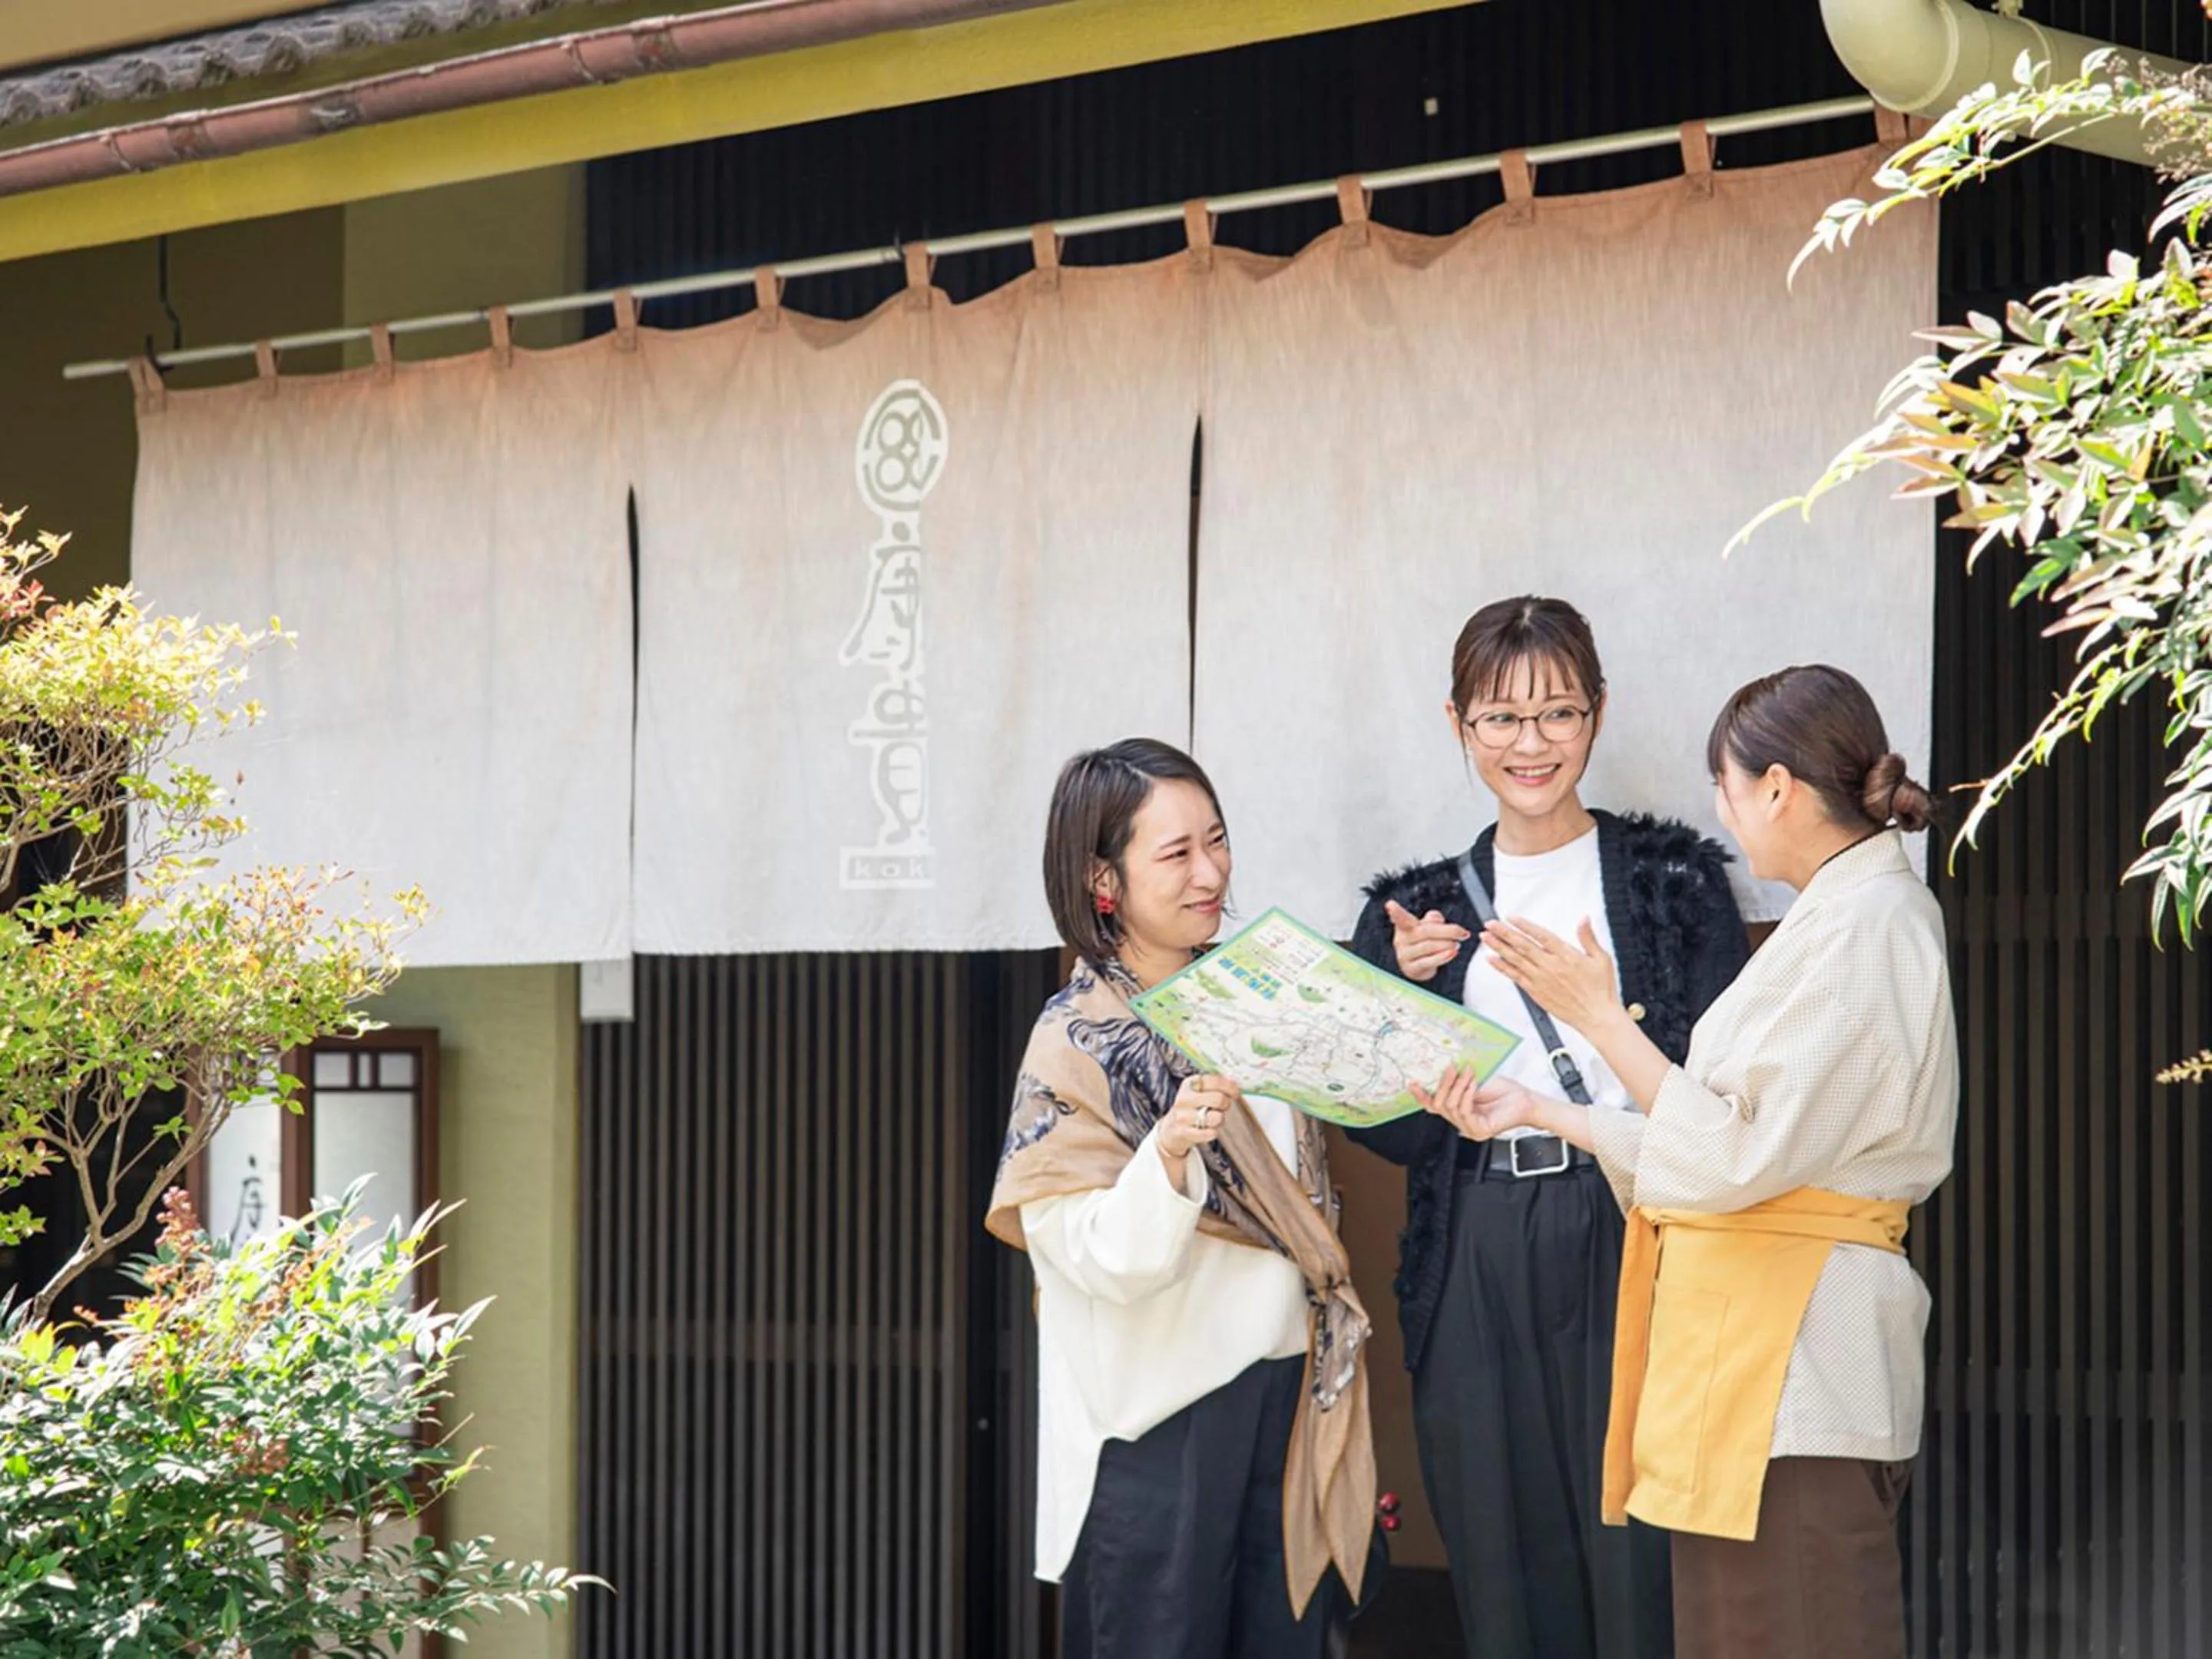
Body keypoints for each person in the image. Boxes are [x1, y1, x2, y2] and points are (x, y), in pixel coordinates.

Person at [1429, 663, 1959, 1659]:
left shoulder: (1869, 925)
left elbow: (1729, 1157)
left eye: (1725, 785)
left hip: (1798, 1364)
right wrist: (1544, 1111)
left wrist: (1600, 1020)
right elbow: (1731, 1144)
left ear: (1777, 788)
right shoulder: (1843, 916)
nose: (1722, 809)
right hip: (1759, 1363)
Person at [1346, 595, 1748, 1659]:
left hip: (1633, 1222)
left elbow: (1724, 1103)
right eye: (1501, 719)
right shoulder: (1415, 912)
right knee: (1500, 1549)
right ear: (1458, 724)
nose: (1532, 745)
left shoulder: (1672, 882)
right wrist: (1400, 994)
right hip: (1476, 1237)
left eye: (1558, 713)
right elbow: (1388, 1137)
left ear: (1597, 714)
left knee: (1643, 1552)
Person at [985, 737, 1376, 1659]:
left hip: (1288, 1398)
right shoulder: (1077, 1040)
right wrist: (1165, 1153)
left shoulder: (1254, 997)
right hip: (1157, 1431)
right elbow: (1091, 1257)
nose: (1211, 873)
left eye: (1217, 840)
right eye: (1176, 853)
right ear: (1103, 881)